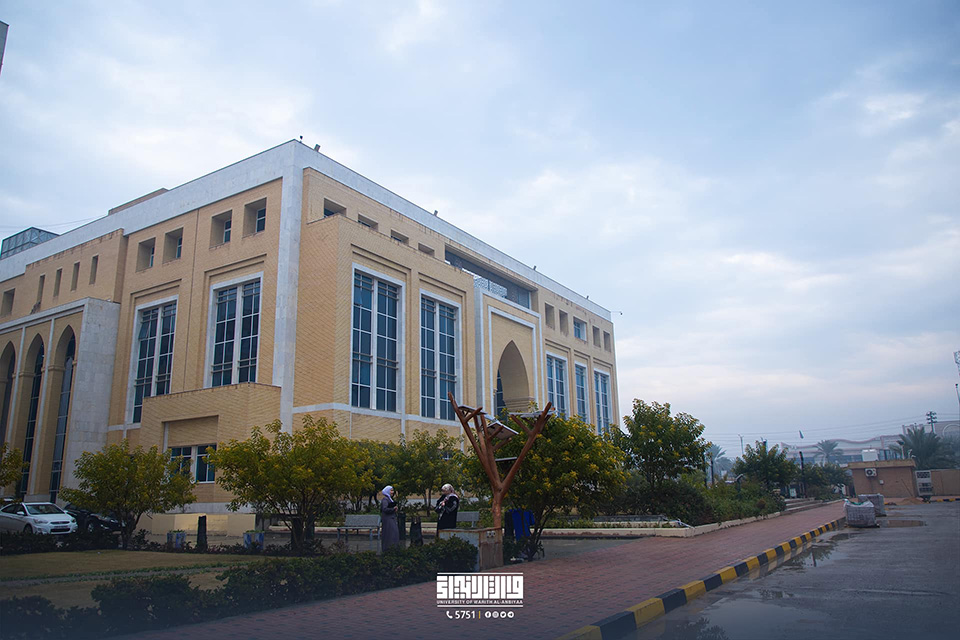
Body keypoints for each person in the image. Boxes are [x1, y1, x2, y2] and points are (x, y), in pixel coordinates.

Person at [380, 485, 400, 551]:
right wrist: (393, 509)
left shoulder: (389, 499)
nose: (392, 492)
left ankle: (393, 548)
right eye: (391, 490)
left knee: (393, 534)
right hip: (388, 519)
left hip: (391, 518)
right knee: (390, 534)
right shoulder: (385, 500)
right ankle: (388, 548)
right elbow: (384, 509)